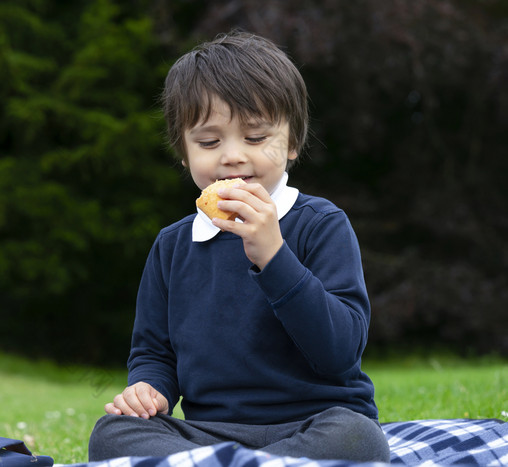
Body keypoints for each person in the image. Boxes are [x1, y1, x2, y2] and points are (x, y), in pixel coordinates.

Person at [88, 31, 390, 463]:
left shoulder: (321, 224)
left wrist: (273, 256)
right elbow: (155, 352)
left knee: (358, 439)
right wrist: (149, 390)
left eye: (255, 137)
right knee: (112, 434)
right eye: (209, 142)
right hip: (208, 431)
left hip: (315, 422)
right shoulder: (174, 245)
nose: (232, 157)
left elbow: (339, 352)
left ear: (291, 144)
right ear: (183, 152)